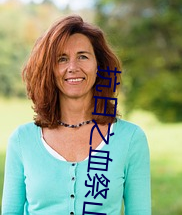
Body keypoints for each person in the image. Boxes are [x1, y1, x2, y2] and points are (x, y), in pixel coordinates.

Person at [1, 15, 151, 215]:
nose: (73, 67)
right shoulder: (22, 140)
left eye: (83, 56)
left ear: (99, 66)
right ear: (49, 70)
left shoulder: (131, 139)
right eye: (62, 59)